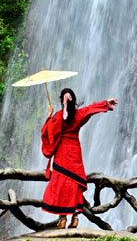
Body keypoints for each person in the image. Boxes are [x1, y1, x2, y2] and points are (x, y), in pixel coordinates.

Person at [41, 88, 117, 229]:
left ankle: (63, 219)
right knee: (75, 185)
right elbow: (90, 109)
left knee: (62, 184)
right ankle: (75, 218)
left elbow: (48, 133)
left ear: (61, 100)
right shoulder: (79, 114)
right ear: (74, 100)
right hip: (75, 152)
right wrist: (106, 103)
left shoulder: (58, 116)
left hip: (62, 154)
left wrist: (49, 115)